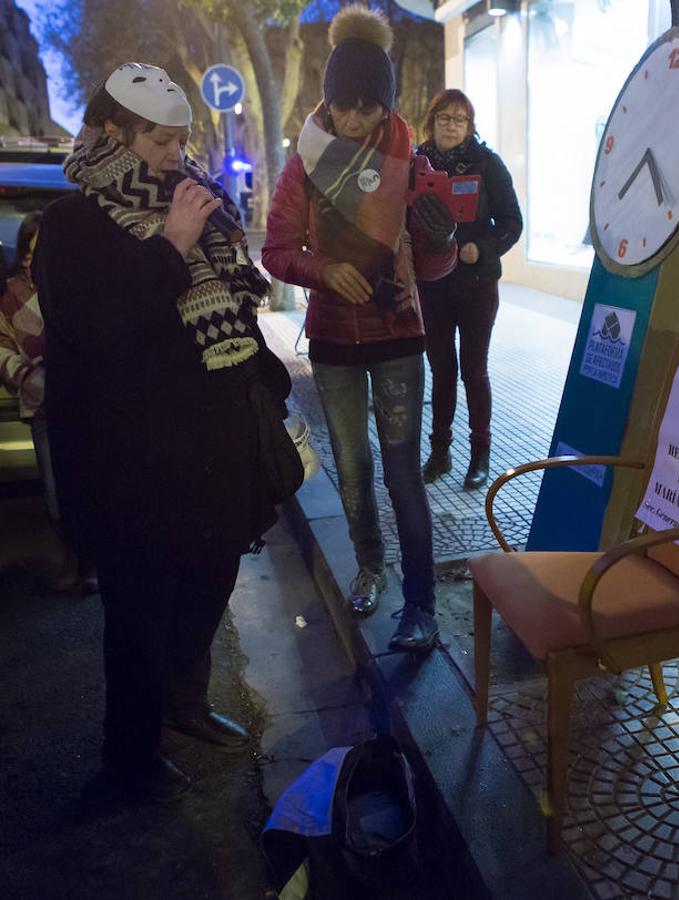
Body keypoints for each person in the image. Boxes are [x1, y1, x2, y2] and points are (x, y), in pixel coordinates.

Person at [32, 62, 288, 802]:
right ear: (114, 131)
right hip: (130, 463)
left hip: (213, 447)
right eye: (160, 140)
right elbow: (98, 333)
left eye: (181, 140)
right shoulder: (72, 225)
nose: (177, 154)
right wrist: (171, 245)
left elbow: (236, 306)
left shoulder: (196, 201)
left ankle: (185, 701)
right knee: (139, 610)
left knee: (211, 576)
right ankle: (130, 754)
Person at [262, 6, 457, 650]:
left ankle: (421, 604)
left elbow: (434, 265)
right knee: (351, 465)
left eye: (369, 108)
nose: (353, 120)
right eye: (343, 105)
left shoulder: (414, 160)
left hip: (399, 331)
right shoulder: (305, 162)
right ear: (327, 98)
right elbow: (277, 249)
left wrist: (441, 237)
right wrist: (323, 270)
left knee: (402, 469)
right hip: (333, 338)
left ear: (387, 105)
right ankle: (370, 568)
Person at [416, 89, 523, 490]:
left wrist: (484, 247)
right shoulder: (417, 164)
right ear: (432, 121)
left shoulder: (487, 164)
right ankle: (440, 452)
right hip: (433, 285)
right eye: (444, 116)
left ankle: (480, 452)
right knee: (441, 369)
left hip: (476, 285)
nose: (450, 125)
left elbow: (512, 222)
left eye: (459, 119)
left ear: (469, 126)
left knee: (473, 370)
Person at [0, 212, 83, 591]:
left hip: (83, 405)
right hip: (41, 407)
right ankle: (71, 558)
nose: (33, 258)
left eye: (40, 249)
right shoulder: (11, 296)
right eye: (28, 250)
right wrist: (27, 375)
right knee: (54, 488)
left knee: (88, 484)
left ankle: (92, 563)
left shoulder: (73, 287)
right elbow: (3, 346)